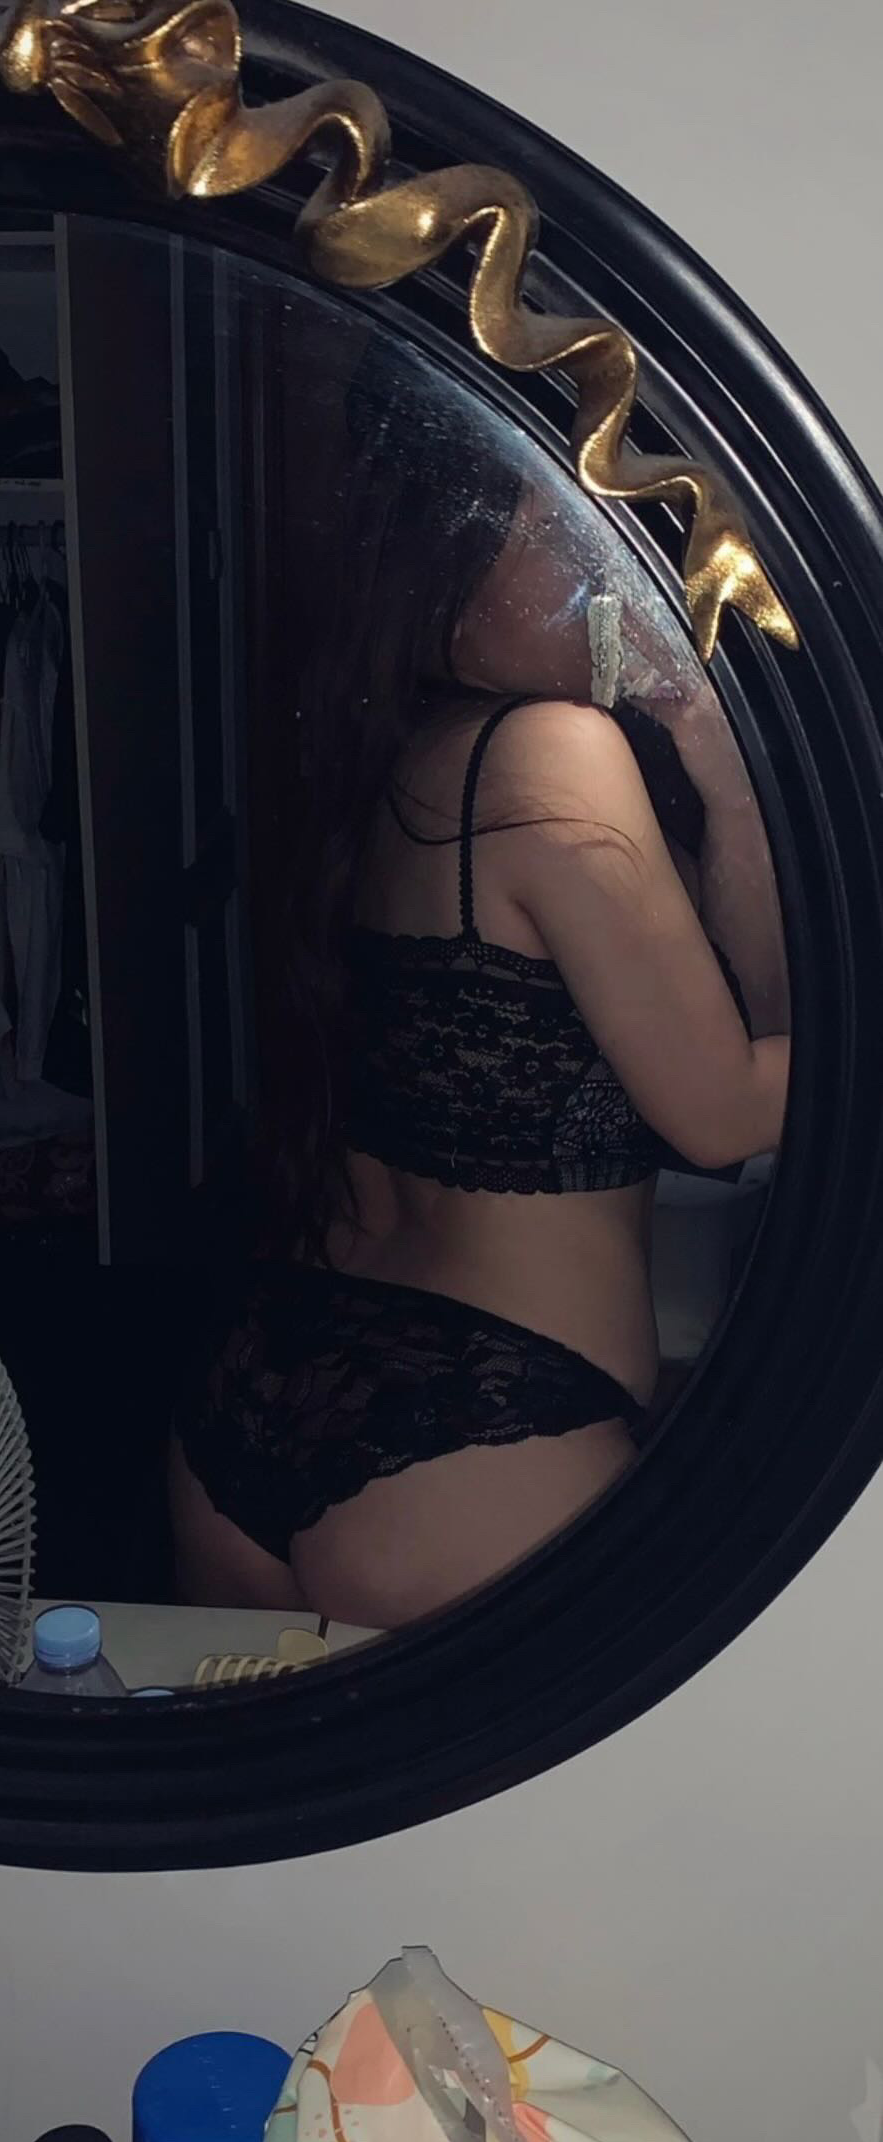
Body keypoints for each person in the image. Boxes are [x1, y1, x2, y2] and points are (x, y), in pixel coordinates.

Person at [170, 377, 790, 1630]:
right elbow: (729, 1108)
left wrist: (722, 775)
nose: (604, 567)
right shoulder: (552, 753)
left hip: (267, 1378)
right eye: (557, 526)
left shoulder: (399, 754)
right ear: (446, 556)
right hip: (473, 1432)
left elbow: (762, 1021)